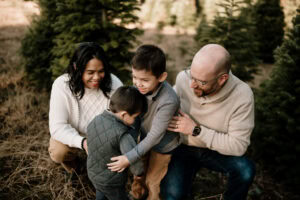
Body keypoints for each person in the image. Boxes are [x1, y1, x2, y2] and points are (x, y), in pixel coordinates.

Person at [161, 44, 256, 200]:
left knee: (245, 171)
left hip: (217, 151)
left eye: (201, 82)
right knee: (173, 196)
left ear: (222, 79)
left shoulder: (242, 96)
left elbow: (238, 146)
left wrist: (196, 130)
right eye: (192, 76)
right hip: (183, 147)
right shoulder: (183, 79)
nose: (192, 85)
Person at [107, 44, 182, 200]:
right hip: (143, 139)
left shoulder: (168, 100)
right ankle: (137, 195)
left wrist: (129, 157)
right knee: (139, 174)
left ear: (161, 77)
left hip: (162, 146)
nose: (138, 83)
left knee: (153, 181)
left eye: (144, 80)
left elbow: (155, 135)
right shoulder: (139, 89)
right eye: (134, 77)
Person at [48, 42, 122, 172]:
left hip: (104, 136)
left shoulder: (114, 83)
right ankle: (75, 168)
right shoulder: (61, 85)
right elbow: (57, 127)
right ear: (77, 68)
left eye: (101, 71)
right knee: (59, 151)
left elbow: (121, 119)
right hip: (75, 134)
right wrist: (83, 142)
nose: (96, 77)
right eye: (90, 72)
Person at [87, 86, 147, 200]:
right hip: (112, 181)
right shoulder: (122, 134)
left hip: (94, 174)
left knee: (101, 194)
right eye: (135, 116)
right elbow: (134, 160)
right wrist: (139, 174)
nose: (136, 120)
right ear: (124, 114)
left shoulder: (95, 120)